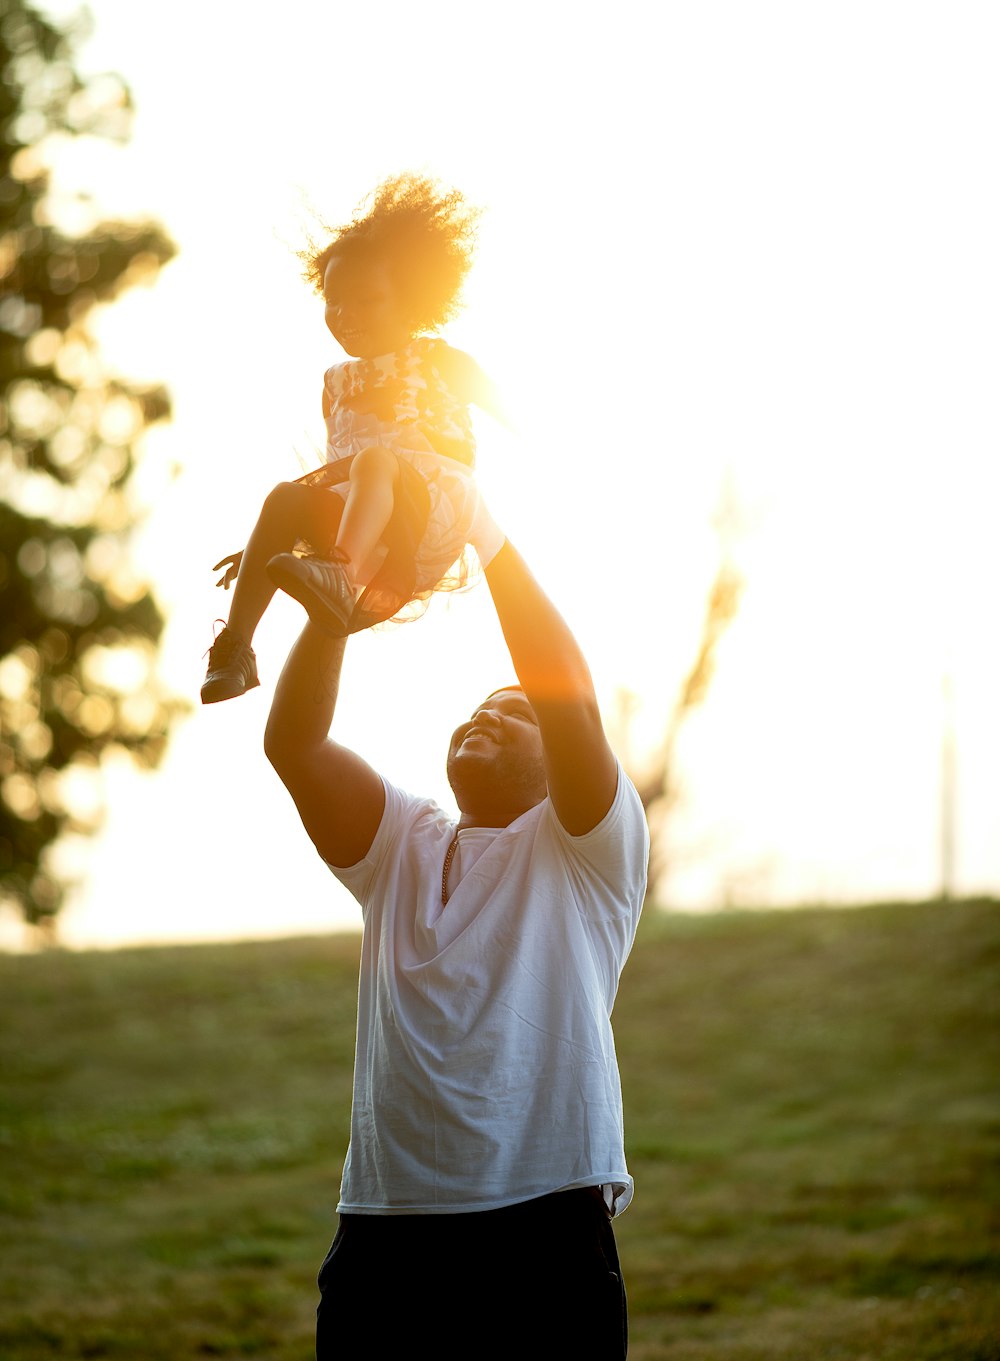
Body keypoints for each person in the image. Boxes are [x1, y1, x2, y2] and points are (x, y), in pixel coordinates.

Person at [263, 513, 649, 1360]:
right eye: (477, 708)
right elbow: (294, 742)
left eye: (515, 713)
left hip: (543, 1226)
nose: (485, 717)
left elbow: (567, 695)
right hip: (384, 1232)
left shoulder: (588, 848)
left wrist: (481, 530)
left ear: (565, 755)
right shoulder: (402, 839)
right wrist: (331, 618)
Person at [201, 172, 505, 705]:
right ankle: (237, 650)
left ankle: (342, 573)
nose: (346, 315)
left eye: (367, 300)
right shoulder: (335, 383)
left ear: (411, 302)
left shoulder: (437, 360)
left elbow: (502, 405)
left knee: (375, 460)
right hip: (368, 511)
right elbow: (338, 475)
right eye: (335, 300)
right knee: (283, 497)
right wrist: (266, 540)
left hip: (431, 509)